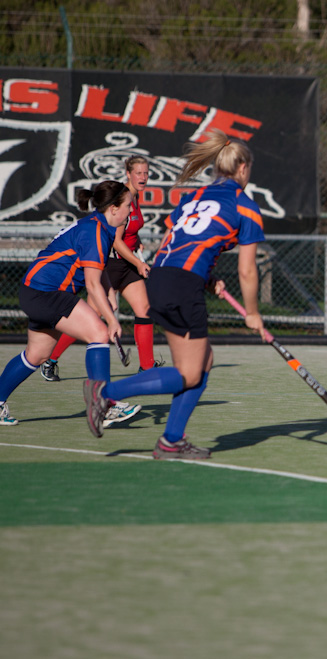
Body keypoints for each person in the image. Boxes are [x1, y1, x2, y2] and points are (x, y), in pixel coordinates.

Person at [83, 129, 265, 459]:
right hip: (182, 286)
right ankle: (106, 393)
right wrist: (252, 313)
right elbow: (247, 271)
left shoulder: (193, 198)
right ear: (242, 168)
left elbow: (175, 241)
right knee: (190, 373)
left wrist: (206, 276)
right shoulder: (245, 206)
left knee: (203, 361)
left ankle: (171, 440)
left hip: (162, 276)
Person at [0, 181, 140, 428]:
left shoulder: (100, 227)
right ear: (114, 208)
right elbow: (92, 284)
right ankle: (104, 405)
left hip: (35, 291)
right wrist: (111, 320)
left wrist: (109, 292)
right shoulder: (95, 231)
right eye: (128, 205)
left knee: (37, 354)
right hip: (47, 292)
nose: (131, 210)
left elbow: (97, 269)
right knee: (99, 333)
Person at [39, 155, 162, 382]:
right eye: (138, 173)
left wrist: (137, 241)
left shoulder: (134, 197)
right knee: (92, 317)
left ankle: (147, 367)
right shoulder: (121, 198)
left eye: (146, 173)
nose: (143, 177)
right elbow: (115, 241)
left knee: (144, 310)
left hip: (127, 264)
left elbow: (129, 231)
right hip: (111, 265)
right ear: (128, 174)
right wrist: (139, 262)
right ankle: (50, 359)